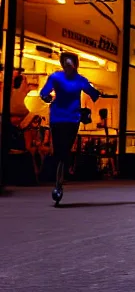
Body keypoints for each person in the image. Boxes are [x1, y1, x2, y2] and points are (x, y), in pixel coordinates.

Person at [40, 53, 101, 206]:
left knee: (63, 150)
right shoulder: (60, 78)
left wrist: (96, 93)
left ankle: (59, 181)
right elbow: (44, 92)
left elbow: (92, 92)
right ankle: (59, 180)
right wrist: (46, 97)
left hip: (68, 118)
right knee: (62, 150)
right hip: (62, 118)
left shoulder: (75, 79)